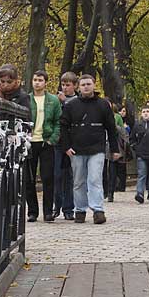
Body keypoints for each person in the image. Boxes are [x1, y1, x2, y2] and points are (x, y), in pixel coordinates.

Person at [58, 74, 121, 224]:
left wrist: (115, 149)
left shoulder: (103, 104)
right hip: (77, 148)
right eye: (83, 84)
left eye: (88, 84)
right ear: (79, 87)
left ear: (94, 85)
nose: (86, 87)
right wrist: (66, 147)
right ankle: (80, 209)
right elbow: (63, 126)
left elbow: (111, 128)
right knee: (79, 181)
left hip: (97, 148)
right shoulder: (71, 105)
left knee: (95, 179)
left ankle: (98, 209)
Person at [26, 70, 61, 222]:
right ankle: (32, 212)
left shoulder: (53, 100)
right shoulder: (26, 99)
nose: (37, 82)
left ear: (45, 82)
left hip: (46, 142)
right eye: (35, 79)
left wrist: (52, 139)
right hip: (29, 143)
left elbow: (58, 122)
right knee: (29, 178)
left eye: (40, 80)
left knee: (48, 178)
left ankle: (48, 211)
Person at [53, 71, 78, 220]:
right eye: (63, 84)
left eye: (68, 85)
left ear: (74, 86)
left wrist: (65, 102)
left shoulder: (77, 100)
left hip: (72, 142)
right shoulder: (55, 100)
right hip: (58, 142)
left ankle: (69, 208)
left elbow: (76, 113)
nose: (65, 88)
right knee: (57, 175)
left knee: (70, 176)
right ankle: (57, 205)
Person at [131, 105, 149, 204]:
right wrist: (136, 148)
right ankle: (140, 193)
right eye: (143, 112)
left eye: (147, 111)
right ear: (141, 114)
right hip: (141, 154)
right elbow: (132, 139)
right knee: (142, 174)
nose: (146, 113)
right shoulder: (137, 125)